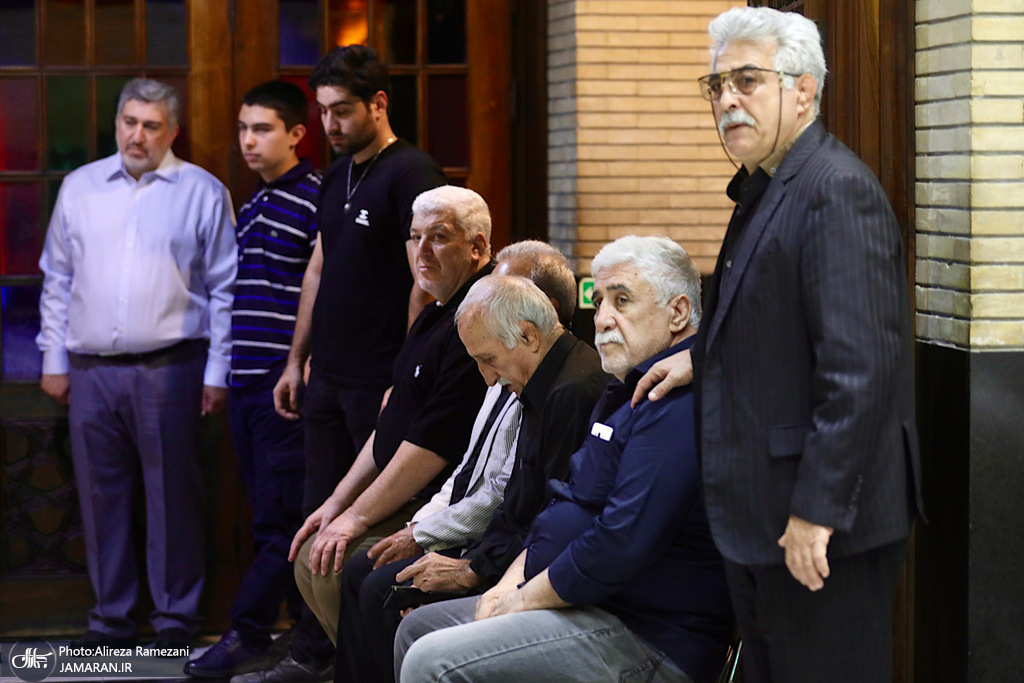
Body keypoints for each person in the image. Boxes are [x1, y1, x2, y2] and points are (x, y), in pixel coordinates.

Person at [632, 8, 924, 681]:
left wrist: (815, 511)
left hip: (822, 527)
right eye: (717, 84)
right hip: (761, 519)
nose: (727, 100)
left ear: (803, 90)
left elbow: (861, 371)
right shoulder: (766, 186)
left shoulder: (835, 191)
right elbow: (771, 318)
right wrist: (699, 359)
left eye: (747, 80)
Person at [396, 236, 734, 683]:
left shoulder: (677, 402)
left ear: (678, 313)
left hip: (647, 634)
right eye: (600, 299)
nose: (604, 317)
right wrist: (505, 587)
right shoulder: (622, 390)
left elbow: (618, 544)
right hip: (583, 604)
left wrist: (521, 599)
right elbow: (565, 505)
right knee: (416, 630)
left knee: (430, 660)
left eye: (622, 300)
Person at [335, 242, 600, 683]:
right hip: (506, 555)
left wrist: (472, 571)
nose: (488, 377)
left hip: (537, 575)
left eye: (488, 360)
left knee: (391, 598)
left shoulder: (571, 392)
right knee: (376, 579)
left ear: (529, 334)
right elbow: (515, 503)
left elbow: (551, 523)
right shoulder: (539, 380)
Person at [264, 45, 446, 681]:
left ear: (379, 104)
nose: (329, 124)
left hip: (380, 380)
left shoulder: (412, 171)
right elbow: (319, 266)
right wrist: (296, 359)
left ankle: (359, 657)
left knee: (366, 524)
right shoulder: (336, 175)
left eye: (342, 110)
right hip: (328, 377)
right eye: (322, 112)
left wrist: (406, 376)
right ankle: (315, 650)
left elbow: (426, 278)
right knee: (318, 511)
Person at [36, 78, 236, 644]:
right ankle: (111, 623)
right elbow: (57, 279)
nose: (137, 136)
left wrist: (216, 373)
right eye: (129, 122)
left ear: (172, 132)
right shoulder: (79, 187)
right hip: (89, 370)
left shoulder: (202, 191)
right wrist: (53, 359)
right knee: (101, 502)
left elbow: (225, 289)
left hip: (171, 367)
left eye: (151, 125)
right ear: (117, 124)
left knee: (174, 499)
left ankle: (175, 622)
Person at [284, 186, 495, 666]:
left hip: (446, 503)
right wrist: (337, 503)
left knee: (335, 567)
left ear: (477, 247)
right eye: (415, 237)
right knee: (311, 556)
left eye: (438, 237)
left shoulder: (476, 318)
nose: (421, 252)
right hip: (412, 490)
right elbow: (392, 424)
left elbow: (430, 444)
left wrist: (356, 518)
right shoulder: (433, 313)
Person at [185, 81, 319, 679]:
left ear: (296, 134)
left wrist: (304, 362)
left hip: (281, 383)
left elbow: (329, 291)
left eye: (262, 129)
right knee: (265, 513)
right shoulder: (256, 200)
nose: (248, 140)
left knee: (281, 517)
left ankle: (248, 632)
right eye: (243, 128)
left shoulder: (316, 198)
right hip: (243, 380)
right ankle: (295, 631)